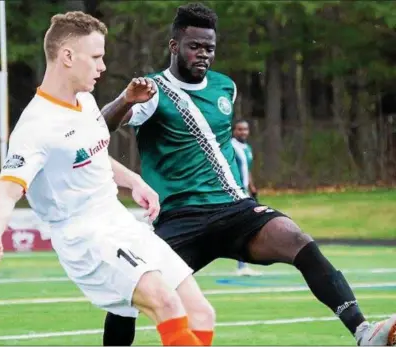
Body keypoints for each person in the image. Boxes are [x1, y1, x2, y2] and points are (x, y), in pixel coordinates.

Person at [101, 3, 395, 346]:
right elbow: (100, 129)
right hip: (180, 217)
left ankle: (363, 332)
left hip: (234, 209)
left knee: (296, 239)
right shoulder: (151, 91)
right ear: (174, 46)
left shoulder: (226, 87)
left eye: (209, 48)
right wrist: (124, 99)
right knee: (129, 295)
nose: (203, 55)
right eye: (194, 46)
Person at [0, 11, 216, 347]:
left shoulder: (85, 102)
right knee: (167, 303)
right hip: (85, 237)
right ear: (68, 57)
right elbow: (6, 190)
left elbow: (94, 154)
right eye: (97, 57)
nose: (103, 67)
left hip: (120, 220)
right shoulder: (36, 127)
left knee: (202, 313)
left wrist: (135, 183)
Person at [231, 119, 261, 276]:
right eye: (240, 129)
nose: (243, 132)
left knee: (245, 228)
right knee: (241, 228)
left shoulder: (247, 148)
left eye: (245, 129)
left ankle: (242, 265)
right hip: (234, 193)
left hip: (245, 193)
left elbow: (247, 170)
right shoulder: (229, 147)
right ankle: (242, 265)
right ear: (234, 131)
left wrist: (252, 188)